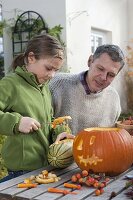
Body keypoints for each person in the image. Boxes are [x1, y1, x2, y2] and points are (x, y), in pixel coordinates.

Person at [0, 34, 74, 182]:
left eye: (56, 70)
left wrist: (61, 133)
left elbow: (49, 119)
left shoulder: (43, 86)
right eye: (49, 68)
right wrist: (17, 122)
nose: (52, 75)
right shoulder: (10, 84)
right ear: (31, 58)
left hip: (45, 166)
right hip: (21, 170)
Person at [49, 44, 125, 135]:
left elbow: (110, 138)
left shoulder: (113, 98)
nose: (103, 78)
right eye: (100, 69)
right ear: (90, 61)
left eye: (111, 75)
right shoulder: (57, 85)